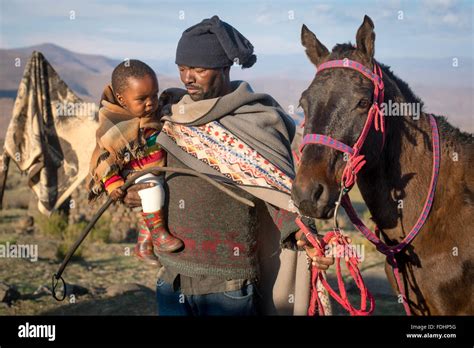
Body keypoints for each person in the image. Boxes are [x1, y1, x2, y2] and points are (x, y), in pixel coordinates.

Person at [124, 16, 334, 316]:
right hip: (173, 278)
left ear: (224, 68)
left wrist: (305, 236)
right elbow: (144, 169)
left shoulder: (257, 120)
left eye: (198, 69)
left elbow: (279, 192)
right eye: (182, 69)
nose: (187, 78)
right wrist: (126, 191)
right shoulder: (169, 117)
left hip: (230, 285)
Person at [87, 59, 183, 266]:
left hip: (158, 169)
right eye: (142, 99)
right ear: (122, 99)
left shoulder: (155, 115)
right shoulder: (114, 126)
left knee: (155, 202)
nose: (151, 103)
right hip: (137, 174)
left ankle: (143, 246)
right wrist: (114, 186)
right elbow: (105, 162)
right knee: (152, 191)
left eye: (154, 95)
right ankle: (158, 236)